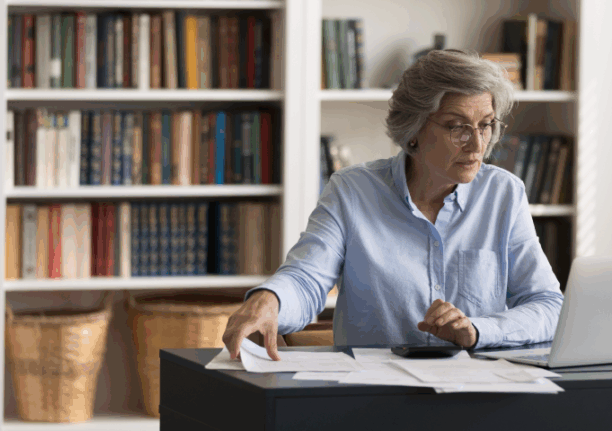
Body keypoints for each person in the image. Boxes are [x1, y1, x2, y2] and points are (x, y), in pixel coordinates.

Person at [222, 49, 564, 360]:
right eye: (456, 127)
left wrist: (477, 330)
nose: (476, 144)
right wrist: (269, 300)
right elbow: (307, 279)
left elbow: (549, 306)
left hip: (478, 396)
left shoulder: (504, 194)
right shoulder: (352, 191)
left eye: (486, 125)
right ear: (414, 128)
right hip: (376, 400)